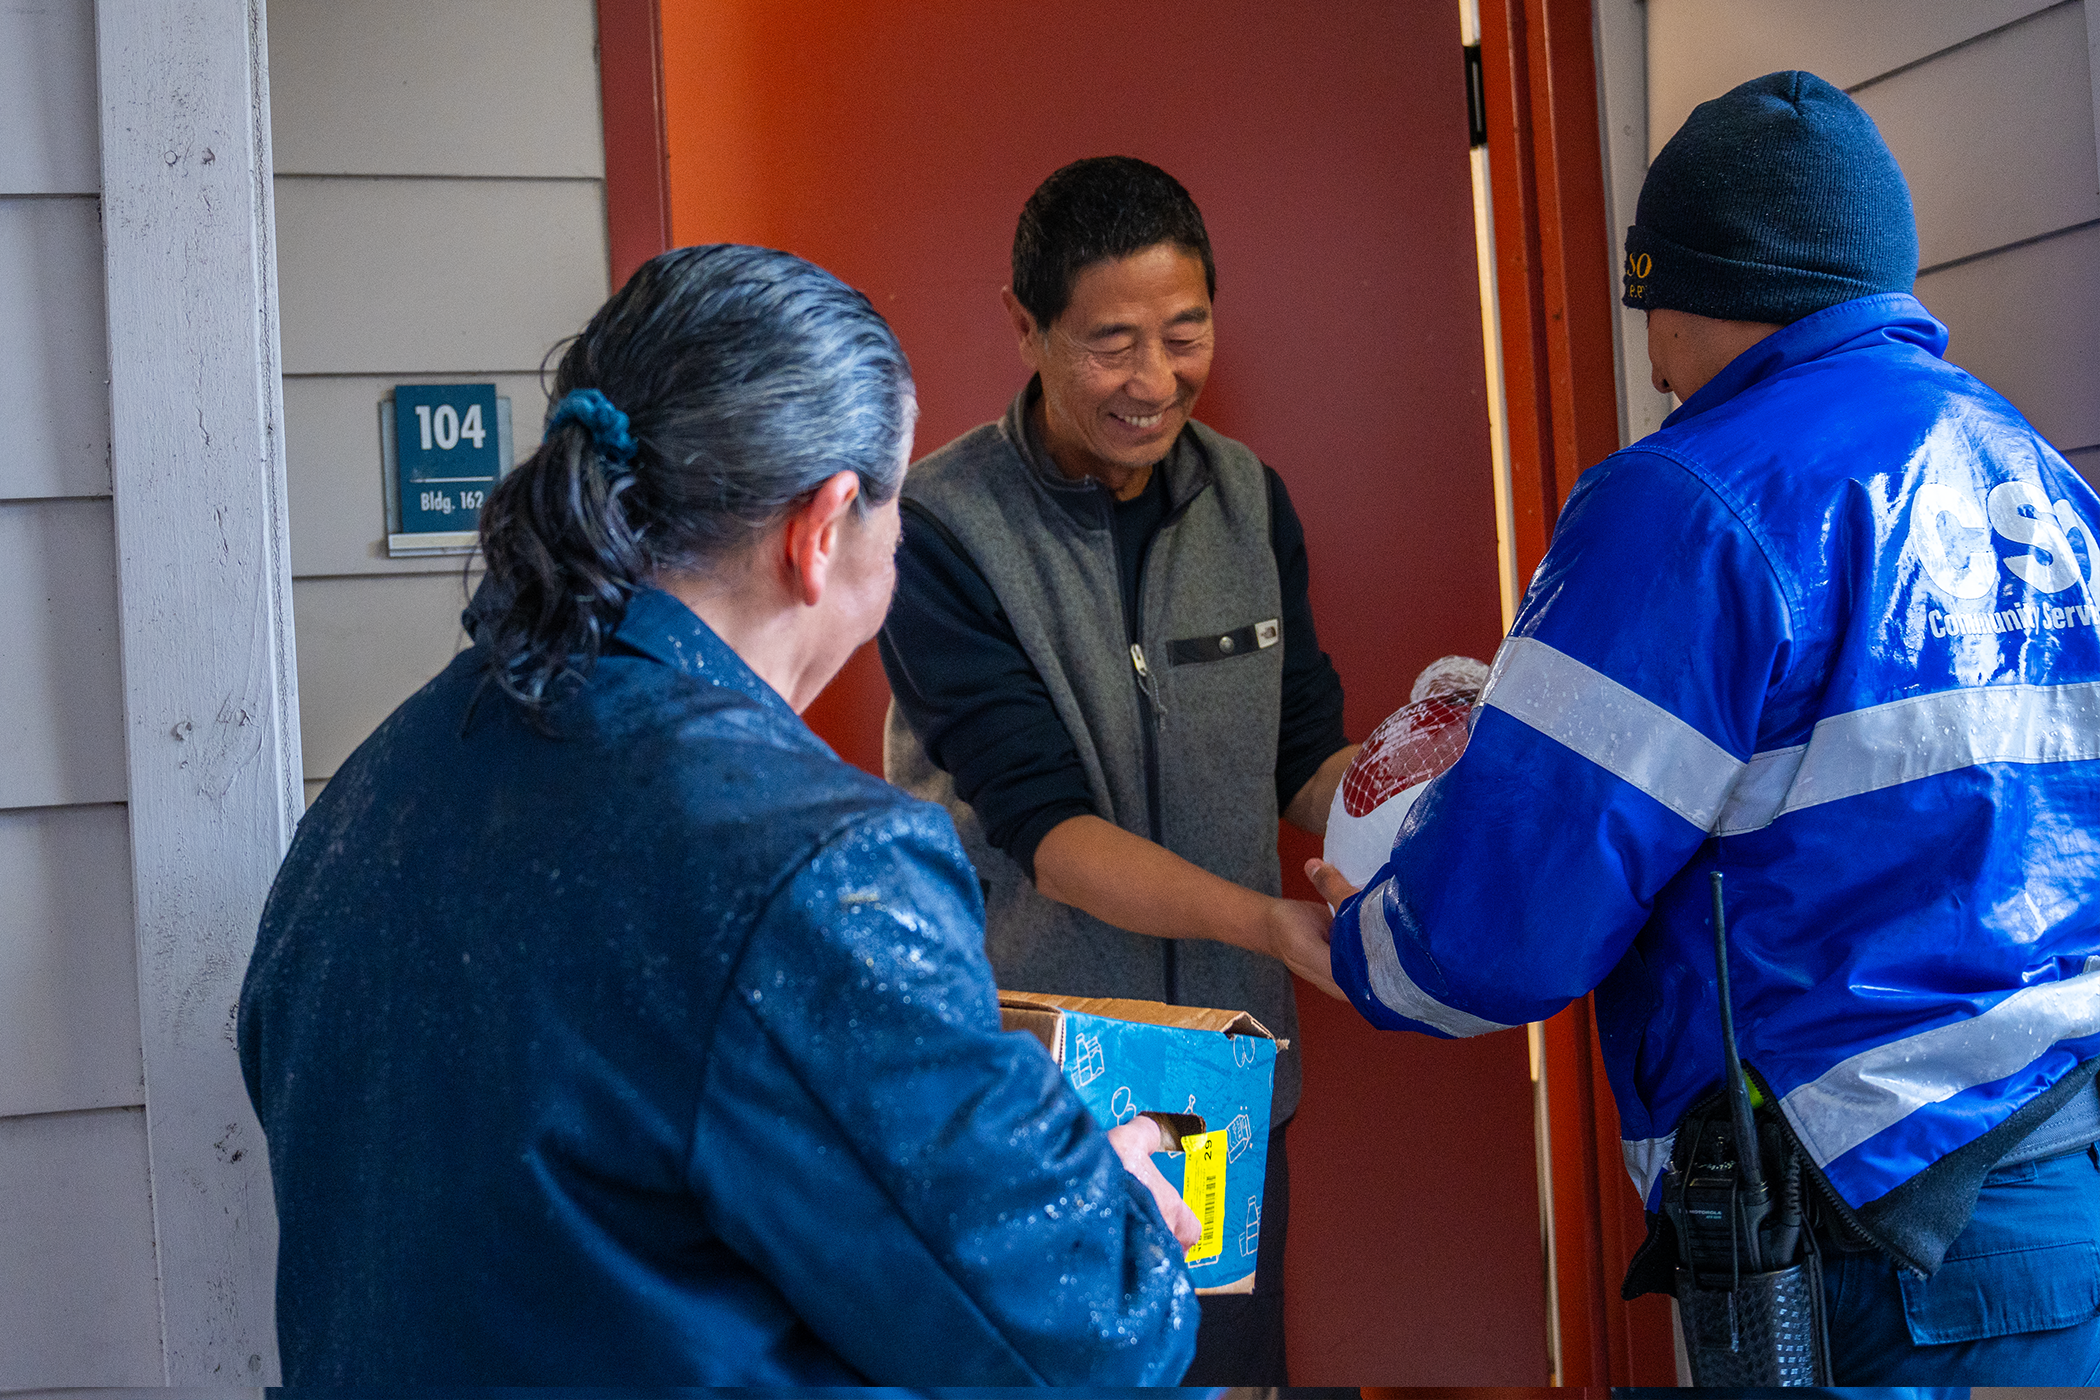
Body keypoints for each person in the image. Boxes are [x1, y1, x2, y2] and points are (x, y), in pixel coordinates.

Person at [237, 244, 1205, 1386]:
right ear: (824, 525)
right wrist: (1116, 1198)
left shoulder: (371, 791)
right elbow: (1085, 1328)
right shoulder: (815, 863)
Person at [1312, 72, 2100, 1383]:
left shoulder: (1690, 497)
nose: (1654, 363)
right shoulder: (2034, 476)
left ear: (1683, 288)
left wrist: (1358, 941)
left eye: (1647, 311)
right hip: (2060, 1195)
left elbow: (1505, 919)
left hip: (1857, 1238)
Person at [879, 156, 1355, 1385]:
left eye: (1185, 332)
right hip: (1038, 1083)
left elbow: (1303, 752)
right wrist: (1277, 922)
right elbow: (1050, 831)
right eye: (1111, 344)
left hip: (1228, 1075)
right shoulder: (938, 531)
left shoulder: (1250, 501)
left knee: (1227, 1375)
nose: (1156, 382)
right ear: (1026, 328)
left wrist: (1417, 815)